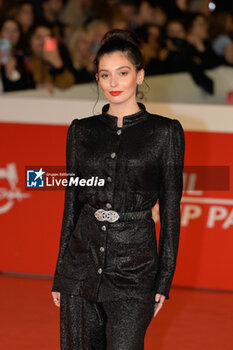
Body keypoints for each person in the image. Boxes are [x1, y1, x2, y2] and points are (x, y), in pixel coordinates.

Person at [51, 28, 185, 350]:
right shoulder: (80, 131)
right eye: (104, 75)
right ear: (97, 78)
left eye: (122, 73)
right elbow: (71, 203)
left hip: (135, 269)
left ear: (139, 75)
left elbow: (170, 209)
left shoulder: (165, 133)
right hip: (80, 267)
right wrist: (60, 274)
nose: (113, 83)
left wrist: (163, 280)